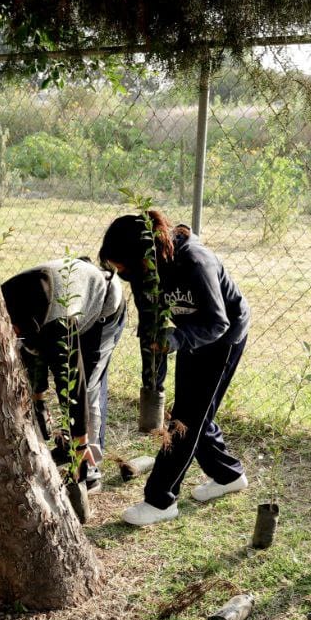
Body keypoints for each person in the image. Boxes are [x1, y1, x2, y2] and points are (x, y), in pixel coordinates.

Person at [98, 211, 250, 525]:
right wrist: (154, 382)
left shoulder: (195, 262)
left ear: (143, 254)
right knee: (191, 411)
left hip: (222, 336)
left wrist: (178, 338)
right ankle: (228, 475)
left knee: (186, 421)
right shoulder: (145, 272)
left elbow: (217, 322)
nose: (121, 272)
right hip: (188, 336)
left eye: (123, 265)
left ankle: (161, 500)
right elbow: (151, 326)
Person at [1, 257, 127, 491]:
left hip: (103, 307)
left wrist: (80, 445)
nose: (11, 333)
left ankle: (89, 466)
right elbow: (30, 353)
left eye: (15, 331)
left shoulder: (57, 327)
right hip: (65, 298)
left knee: (88, 388)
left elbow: (72, 385)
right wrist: (38, 401)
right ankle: (68, 447)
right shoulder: (1, 303)